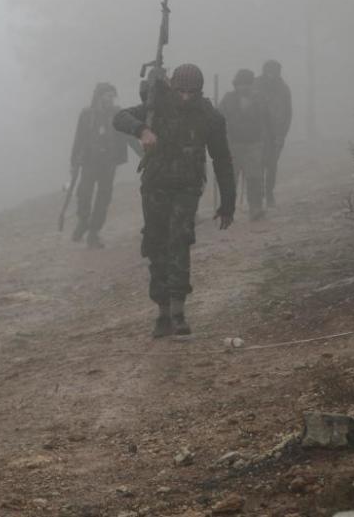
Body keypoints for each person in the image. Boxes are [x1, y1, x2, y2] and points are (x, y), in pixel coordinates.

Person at [113, 63, 236, 337]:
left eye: (191, 92)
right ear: (172, 87)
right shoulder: (156, 106)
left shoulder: (209, 116)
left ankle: (178, 310)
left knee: (179, 240)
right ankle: (163, 311)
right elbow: (119, 117)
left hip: (187, 188)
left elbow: (223, 160)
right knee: (155, 244)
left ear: (199, 91)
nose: (185, 97)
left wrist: (228, 202)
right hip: (155, 185)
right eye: (180, 91)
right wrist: (142, 130)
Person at [70, 83, 143, 248]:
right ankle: (83, 221)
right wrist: (73, 162)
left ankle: (94, 233)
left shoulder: (117, 114)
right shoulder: (87, 114)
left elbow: (129, 136)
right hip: (89, 161)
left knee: (103, 198)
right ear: (99, 96)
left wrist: (143, 154)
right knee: (84, 193)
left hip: (108, 163)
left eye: (112, 95)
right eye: (107, 95)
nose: (110, 98)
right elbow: (78, 138)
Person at [219, 68, 274, 221]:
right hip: (233, 144)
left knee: (255, 177)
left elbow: (267, 121)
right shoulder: (228, 99)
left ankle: (255, 208)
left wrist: (270, 142)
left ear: (251, 85)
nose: (244, 87)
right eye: (241, 84)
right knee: (230, 179)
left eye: (247, 84)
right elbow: (218, 118)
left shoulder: (259, 99)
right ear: (236, 85)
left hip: (254, 144)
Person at [254, 59, 292, 207]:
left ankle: (269, 193)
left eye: (274, 71)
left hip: (276, 133)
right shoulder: (255, 85)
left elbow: (288, 113)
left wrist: (282, 133)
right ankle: (258, 193)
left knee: (271, 164)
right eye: (269, 71)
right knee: (257, 164)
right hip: (256, 133)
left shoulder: (283, 89)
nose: (272, 75)